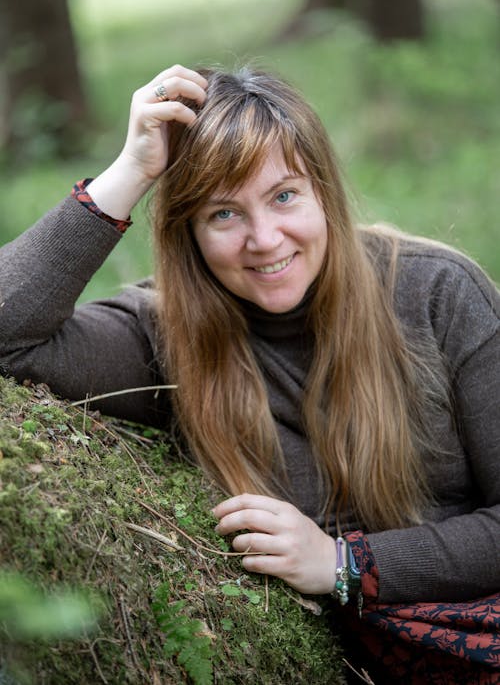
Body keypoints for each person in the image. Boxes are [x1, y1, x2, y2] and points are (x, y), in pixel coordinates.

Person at [0, 64, 498, 684]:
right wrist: (130, 170)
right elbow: (6, 328)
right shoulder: (166, 335)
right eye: (224, 214)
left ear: (324, 192)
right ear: (190, 232)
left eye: (284, 196)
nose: (265, 239)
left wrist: (343, 562)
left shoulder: (436, 293)